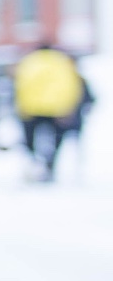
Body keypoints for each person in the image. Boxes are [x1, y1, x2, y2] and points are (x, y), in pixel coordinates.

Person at [13, 41, 88, 182]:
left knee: (31, 138)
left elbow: (21, 86)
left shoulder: (29, 62)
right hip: (56, 109)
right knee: (55, 139)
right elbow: (71, 87)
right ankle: (50, 163)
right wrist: (68, 108)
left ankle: (34, 163)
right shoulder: (62, 62)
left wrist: (21, 107)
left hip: (32, 108)